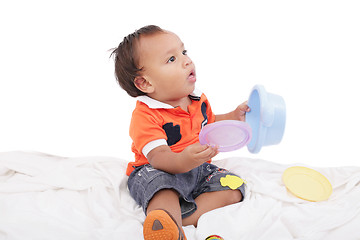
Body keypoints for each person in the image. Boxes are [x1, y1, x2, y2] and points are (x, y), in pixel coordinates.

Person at [111, 25, 249, 240]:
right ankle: (170, 227)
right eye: (171, 59)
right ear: (145, 83)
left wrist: (233, 116)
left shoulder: (197, 99)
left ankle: (175, 220)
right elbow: (158, 157)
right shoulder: (146, 116)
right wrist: (183, 160)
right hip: (158, 170)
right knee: (161, 188)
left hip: (197, 169)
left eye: (183, 52)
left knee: (233, 188)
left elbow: (209, 124)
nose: (187, 60)